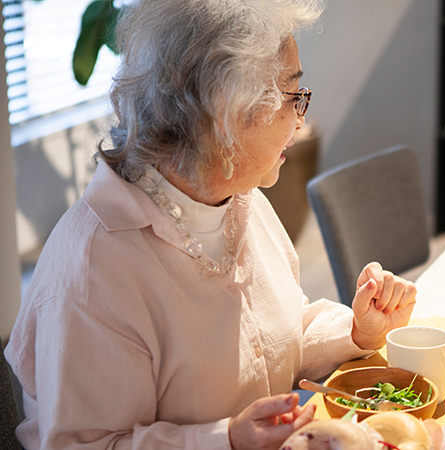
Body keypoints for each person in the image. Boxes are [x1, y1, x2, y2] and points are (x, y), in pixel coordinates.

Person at [3, 1, 417, 449]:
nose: (301, 121)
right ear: (222, 118)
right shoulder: (94, 270)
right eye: (293, 97)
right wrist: (227, 439)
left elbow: (282, 331)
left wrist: (356, 331)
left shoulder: (239, 198)